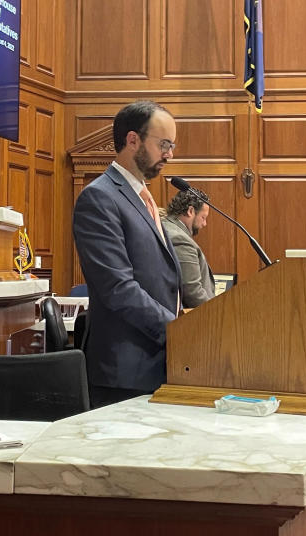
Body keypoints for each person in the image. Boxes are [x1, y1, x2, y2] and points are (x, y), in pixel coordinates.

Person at [72, 101, 181, 407]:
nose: (169, 155)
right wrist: (178, 331)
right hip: (125, 373)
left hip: (156, 364)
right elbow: (118, 288)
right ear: (133, 140)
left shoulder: (143, 198)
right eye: (164, 144)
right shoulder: (99, 197)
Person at [162, 189, 215, 308]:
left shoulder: (165, 226)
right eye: (203, 217)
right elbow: (192, 292)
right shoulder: (179, 239)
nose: (204, 224)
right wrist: (216, 312)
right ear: (191, 211)